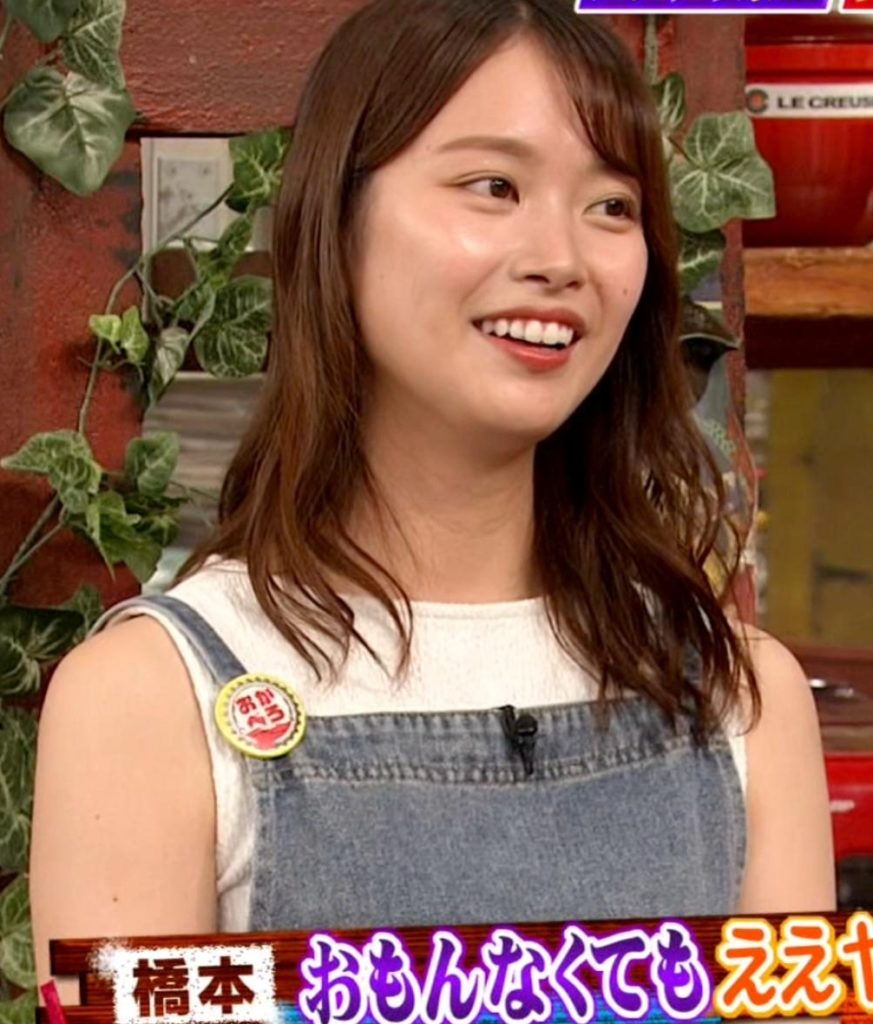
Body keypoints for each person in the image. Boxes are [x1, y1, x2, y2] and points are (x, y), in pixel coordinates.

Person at [30, 0, 835, 1003]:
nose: (561, 258)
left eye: (612, 206)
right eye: (494, 186)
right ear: (336, 221)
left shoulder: (743, 695)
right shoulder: (147, 699)